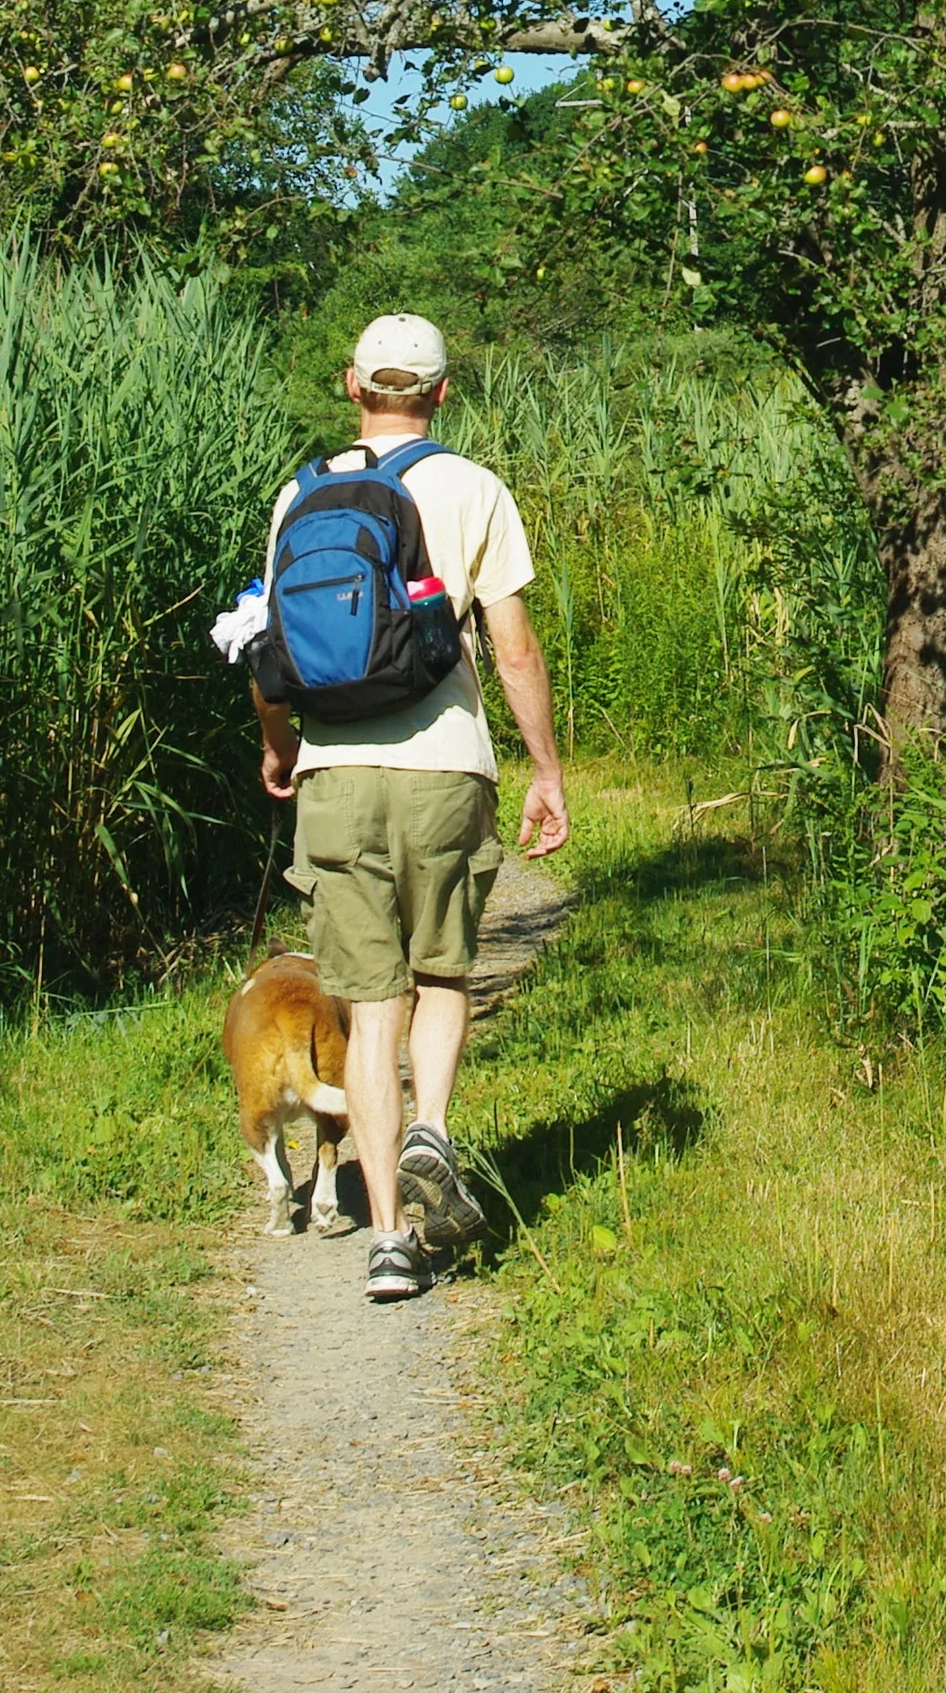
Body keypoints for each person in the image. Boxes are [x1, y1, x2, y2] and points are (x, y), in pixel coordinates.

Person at [253, 311, 570, 1304]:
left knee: (369, 1004)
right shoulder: (474, 488)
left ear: (353, 384)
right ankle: (431, 1124)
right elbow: (512, 647)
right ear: (441, 391)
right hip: (446, 769)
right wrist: (546, 769)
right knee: (441, 969)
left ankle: (388, 1236)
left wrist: (281, 748)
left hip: (333, 775)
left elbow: (269, 648)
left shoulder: (298, 495)